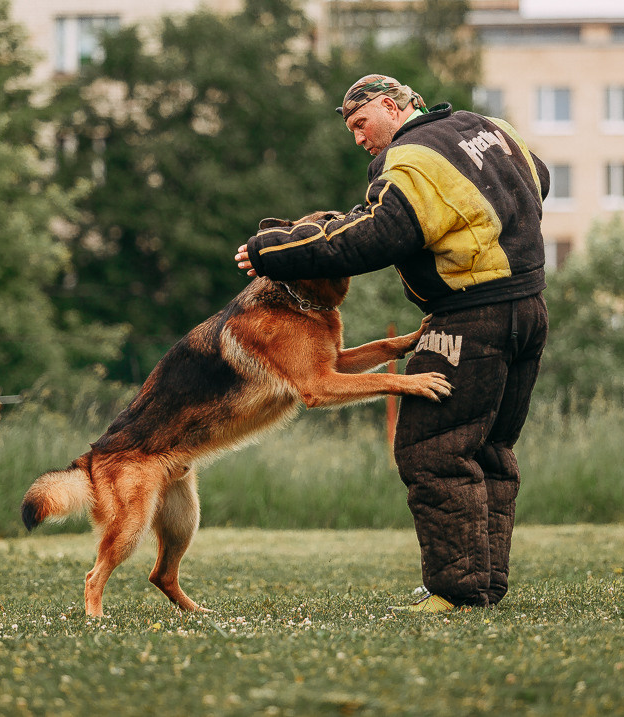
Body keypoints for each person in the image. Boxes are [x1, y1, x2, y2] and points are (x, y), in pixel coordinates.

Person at [234, 74, 549, 611]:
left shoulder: (411, 156)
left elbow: (378, 234)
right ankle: (482, 585)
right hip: (529, 309)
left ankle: (454, 592)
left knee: (433, 451)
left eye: (361, 124)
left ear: (390, 105)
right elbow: (538, 177)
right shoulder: (488, 128)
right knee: (489, 448)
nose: (359, 138)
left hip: (468, 317)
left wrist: (275, 251)